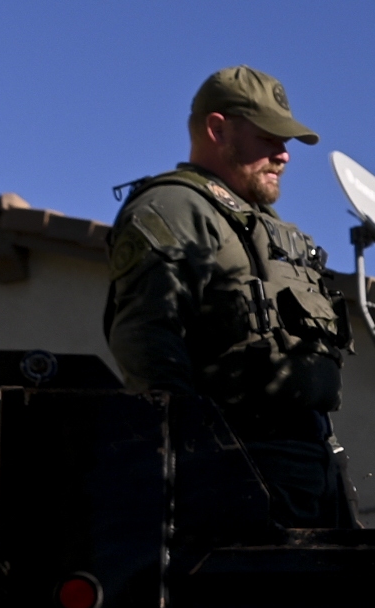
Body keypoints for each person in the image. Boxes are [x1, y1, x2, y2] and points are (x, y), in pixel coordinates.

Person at [102, 65, 358, 527]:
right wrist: (200, 459)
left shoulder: (262, 226)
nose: (284, 156)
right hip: (243, 467)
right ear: (217, 129)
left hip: (312, 465)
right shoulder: (176, 208)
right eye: (268, 139)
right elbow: (147, 338)